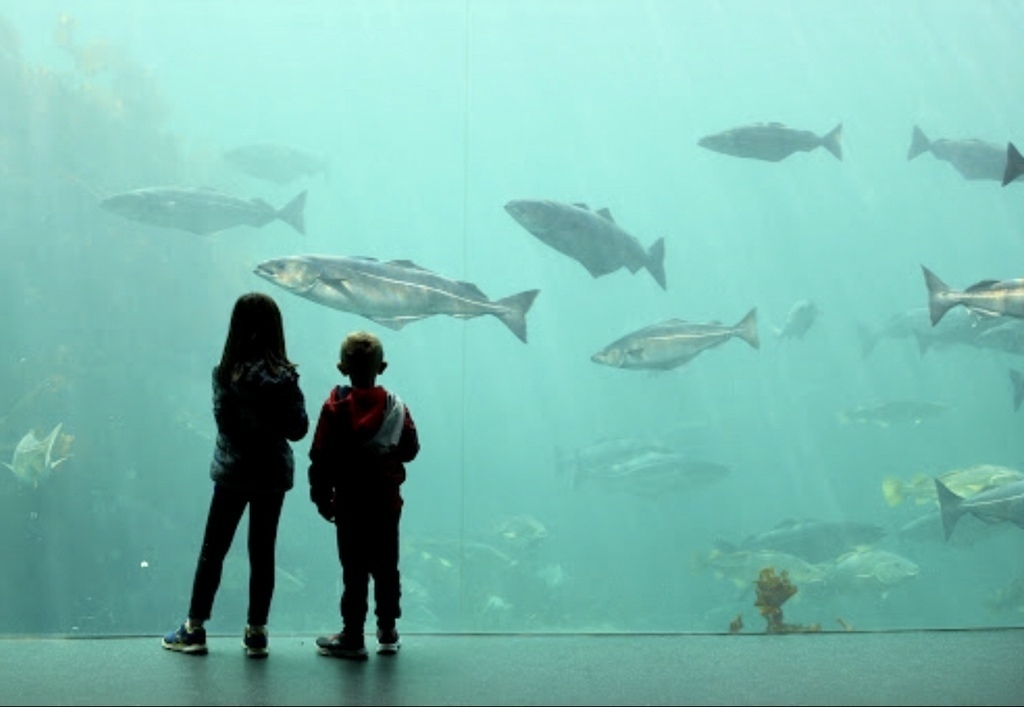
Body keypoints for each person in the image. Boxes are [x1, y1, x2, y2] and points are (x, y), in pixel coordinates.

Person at [162, 292, 309, 658]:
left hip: (232, 472)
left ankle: (194, 628)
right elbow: (298, 429)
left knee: (213, 550)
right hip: (272, 474)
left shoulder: (225, 373)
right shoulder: (286, 379)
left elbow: (225, 424)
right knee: (263, 553)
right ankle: (256, 632)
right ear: (276, 330)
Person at [309, 330, 419, 660]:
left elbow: (320, 457)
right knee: (387, 566)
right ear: (382, 367)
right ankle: (387, 630)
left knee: (353, 570)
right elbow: (411, 450)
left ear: (341, 367)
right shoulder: (396, 408)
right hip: (386, 504)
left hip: (349, 504)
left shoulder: (333, 408)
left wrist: (321, 497)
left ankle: (353, 636)